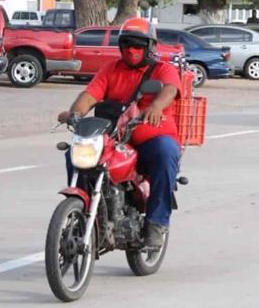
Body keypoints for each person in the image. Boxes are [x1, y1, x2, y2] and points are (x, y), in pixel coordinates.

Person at [56, 18, 182, 247]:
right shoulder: (110, 69)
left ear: (150, 47)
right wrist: (75, 113)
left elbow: (170, 89)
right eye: (127, 45)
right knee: (76, 153)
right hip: (114, 137)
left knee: (166, 153)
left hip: (150, 139)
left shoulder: (163, 69)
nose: (131, 50)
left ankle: (156, 222)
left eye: (138, 45)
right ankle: (82, 210)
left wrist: (155, 106)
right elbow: (90, 95)